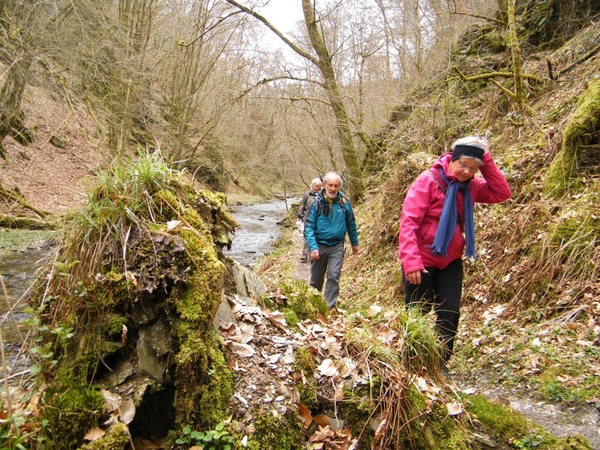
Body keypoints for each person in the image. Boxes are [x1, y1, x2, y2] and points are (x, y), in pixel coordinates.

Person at [398, 136, 511, 365]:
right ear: (452, 159)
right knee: (417, 312)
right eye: (463, 165)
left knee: (450, 313)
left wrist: (486, 160)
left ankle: (439, 364)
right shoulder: (427, 182)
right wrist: (410, 262)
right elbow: (408, 222)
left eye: (474, 168)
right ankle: (412, 361)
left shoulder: (471, 187)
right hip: (422, 261)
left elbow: (502, 193)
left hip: (450, 260)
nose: (467, 172)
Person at [305, 172, 359, 309]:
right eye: (330, 185)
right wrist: (313, 247)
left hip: (337, 246)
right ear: (324, 185)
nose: (333, 189)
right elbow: (308, 227)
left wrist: (354, 243)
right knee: (316, 278)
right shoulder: (315, 203)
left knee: (334, 275)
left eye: (336, 186)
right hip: (319, 244)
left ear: (340, 187)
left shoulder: (344, 203)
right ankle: (313, 305)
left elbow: (351, 224)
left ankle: (329, 307)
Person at [297, 178, 322, 262]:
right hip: (307, 216)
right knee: (307, 234)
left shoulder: (322, 194)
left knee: (316, 235)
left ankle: (314, 253)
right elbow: (302, 204)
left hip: (318, 217)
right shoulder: (307, 194)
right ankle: (304, 254)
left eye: (318, 186)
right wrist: (300, 214)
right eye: (315, 186)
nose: (316, 188)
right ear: (312, 185)